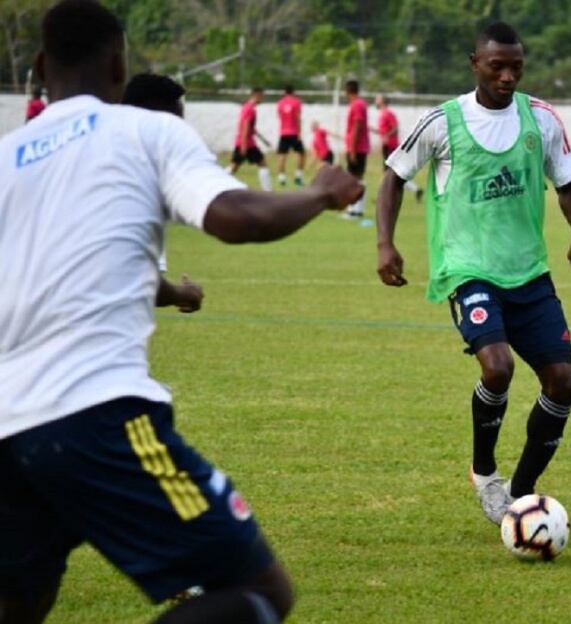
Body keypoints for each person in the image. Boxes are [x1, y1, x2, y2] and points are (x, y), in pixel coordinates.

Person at [0, 3, 363, 623]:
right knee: (257, 593)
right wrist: (320, 193)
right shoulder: (145, 131)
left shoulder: (7, 157)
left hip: (8, 428)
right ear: (120, 65)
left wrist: (171, 292)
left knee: (19, 604)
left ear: (38, 66)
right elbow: (237, 217)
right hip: (95, 412)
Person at [376, 22, 571, 525]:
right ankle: (485, 474)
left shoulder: (541, 119)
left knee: (563, 381)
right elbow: (393, 177)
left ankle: (521, 493)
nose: (507, 76)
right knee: (497, 367)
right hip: (468, 269)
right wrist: (385, 243)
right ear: (475, 63)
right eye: (497, 66)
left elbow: (567, 185)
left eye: (516, 67)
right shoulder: (442, 122)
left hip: (529, 273)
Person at [121, 72, 205, 314]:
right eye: (175, 125)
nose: (181, 133)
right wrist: (184, 294)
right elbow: (140, 283)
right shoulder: (130, 183)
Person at [374, 94, 421, 201]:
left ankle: (383, 197)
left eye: (377, 99)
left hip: (390, 146)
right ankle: (415, 189)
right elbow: (383, 132)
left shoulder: (388, 113)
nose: (375, 101)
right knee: (391, 173)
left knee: (390, 173)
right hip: (386, 147)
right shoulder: (383, 114)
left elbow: (395, 128)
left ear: (382, 101)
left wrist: (387, 136)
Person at [229, 86, 273, 192]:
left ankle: (268, 191)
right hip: (247, 144)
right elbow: (245, 127)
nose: (263, 99)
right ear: (256, 95)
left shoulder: (247, 107)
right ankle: (268, 192)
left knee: (234, 167)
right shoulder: (250, 109)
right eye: (262, 96)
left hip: (245, 142)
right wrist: (244, 146)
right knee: (262, 164)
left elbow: (251, 128)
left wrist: (264, 140)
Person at [343, 80, 370, 218]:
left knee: (354, 179)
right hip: (358, 147)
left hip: (357, 148)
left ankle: (355, 210)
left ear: (347, 92)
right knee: (355, 178)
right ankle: (354, 209)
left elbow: (357, 126)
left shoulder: (357, 105)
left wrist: (352, 149)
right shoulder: (360, 104)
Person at [275, 85, 305, 187]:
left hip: (283, 132)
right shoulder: (297, 102)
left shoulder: (280, 103)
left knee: (282, 155)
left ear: (285, 92)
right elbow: (297, 118)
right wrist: (299, 132)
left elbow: (279, 116)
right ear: (293, 92)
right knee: (301, 154)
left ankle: (281, 179)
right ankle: (298, 177)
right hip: (294, 132)